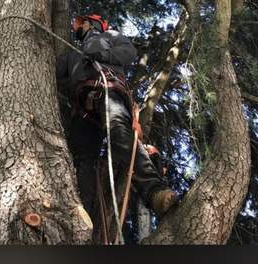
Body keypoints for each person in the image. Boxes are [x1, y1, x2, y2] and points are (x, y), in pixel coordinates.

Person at [56, 13, 177, 218]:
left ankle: (155, 191)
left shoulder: (110, 36)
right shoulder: (72, 54)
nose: (79, 26)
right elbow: (57, 76)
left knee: (119, 131)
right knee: (82, 160)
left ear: (92, 24)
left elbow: (129, 52)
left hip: (108, 90)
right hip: (83, 110)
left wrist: (99, 53)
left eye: (83, 23)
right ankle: (78, 216)